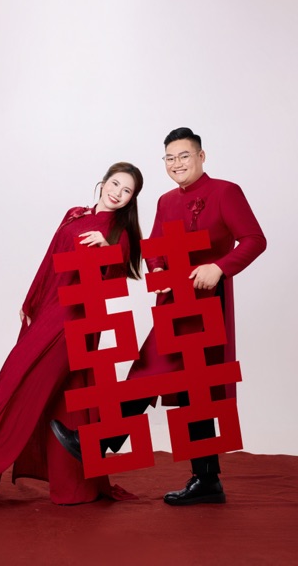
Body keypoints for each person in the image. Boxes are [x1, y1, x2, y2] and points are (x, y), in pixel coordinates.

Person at [51, 127, 267, 506]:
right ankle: (206, 481)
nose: (176, 163)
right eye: (169, 158)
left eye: (184, 155)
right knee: (179, 386)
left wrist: (219, 267)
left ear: (201, 156)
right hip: (175, 301)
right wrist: (159, 269)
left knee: (172, 382)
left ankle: (98, 444)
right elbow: (154, 246)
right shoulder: (166, 201)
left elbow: (254, 240)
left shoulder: (226, 192)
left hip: (208, 304)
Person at [0, 162, 144, 505]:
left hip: (77, 318)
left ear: (132, 199)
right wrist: (31, 300)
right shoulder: (74, 214)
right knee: (66, 394)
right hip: (50, 309)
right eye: (115, 184)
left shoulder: (119, 233)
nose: (118, 193)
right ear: (103, 182)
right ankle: (76, 486)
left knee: (25, 380)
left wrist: (107, 247)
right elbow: (50, 260)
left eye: (127, 190)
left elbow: (120, 268)